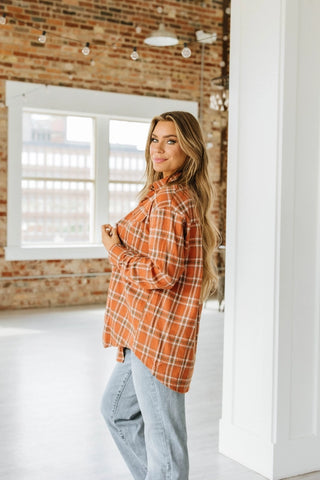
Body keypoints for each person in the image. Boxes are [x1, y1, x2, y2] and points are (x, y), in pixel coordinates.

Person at [100, 111, 219, 480]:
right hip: (141, 330)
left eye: (171, 141)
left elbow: (161, 273)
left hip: (156, 335)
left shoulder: (170, 200)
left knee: (164, 437)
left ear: (190, 148)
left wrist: (115, 249)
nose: (160, 149)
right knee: (116, 410)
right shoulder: (165, 194)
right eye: (155, 139)